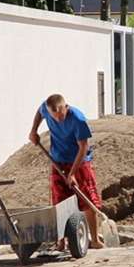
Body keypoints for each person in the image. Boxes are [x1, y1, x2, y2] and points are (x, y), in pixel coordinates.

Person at [28, 94, 105, 249]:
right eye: (54, 117)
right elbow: (39, 111)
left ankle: (94, 239)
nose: (58, 120)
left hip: (79, 161)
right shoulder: (46, 108)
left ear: (65, 107)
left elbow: (83, 148)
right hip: (58, 160)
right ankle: (61, 240)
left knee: (87, 199)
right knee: (59, 201)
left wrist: (73, 173)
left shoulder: (78, 119)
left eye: (61, 115)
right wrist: (33, 131)